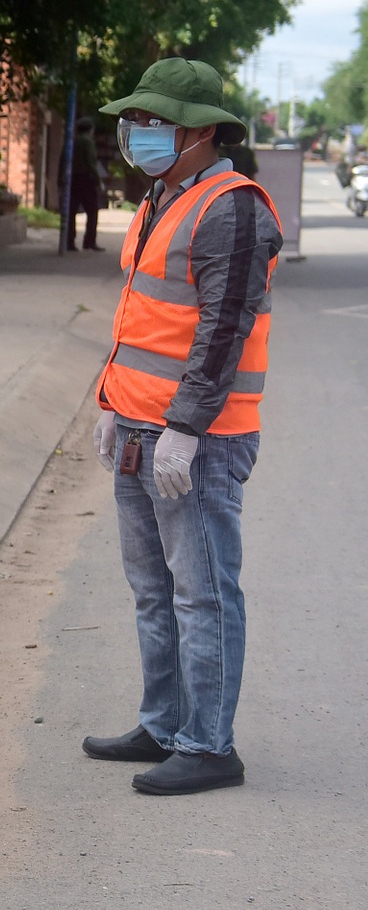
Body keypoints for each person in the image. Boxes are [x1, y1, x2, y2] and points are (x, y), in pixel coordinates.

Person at [84, 58, 281, 796]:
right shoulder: (163, 196)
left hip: (197, 438)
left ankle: (210, 746)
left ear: (201, 131)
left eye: (153, 121)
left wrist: (186, 429)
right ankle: (164, 724)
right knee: (153, 589)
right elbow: (147, 320)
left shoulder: (232, 208)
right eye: (133, 119)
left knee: (202, 592)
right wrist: (111, 401)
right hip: (138, 426)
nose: (136, 132)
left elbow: (222, 332)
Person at [65, 116, 103, 251]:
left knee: (71, 211)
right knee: (92, 211)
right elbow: (91, 163)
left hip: (72, 179)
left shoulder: (72, 140)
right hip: (86, 179)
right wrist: (98, 181)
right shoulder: (88, 142)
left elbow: (62, 160)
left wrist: (60, 180)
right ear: (90, 129)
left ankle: (69, 241)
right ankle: (89, 241)